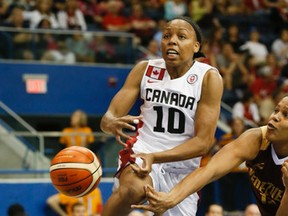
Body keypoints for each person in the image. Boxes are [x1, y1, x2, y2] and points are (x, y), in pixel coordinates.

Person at [100, 15, 223, 216]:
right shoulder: (144, 69)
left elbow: (204, 143)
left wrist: (155, 157)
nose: (172, 40)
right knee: (132, 189)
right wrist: (110, 122)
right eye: (166, 36)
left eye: (181, 36)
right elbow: (108, 118)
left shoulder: (208, 77)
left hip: (182, 171)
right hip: (142, 152)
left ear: (196, 46)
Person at [132, 96, 288, 216]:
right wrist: (170, 199)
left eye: (286, 115)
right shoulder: (256, 139)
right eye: (276, 110)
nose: (275, 117)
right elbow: (210, 170)